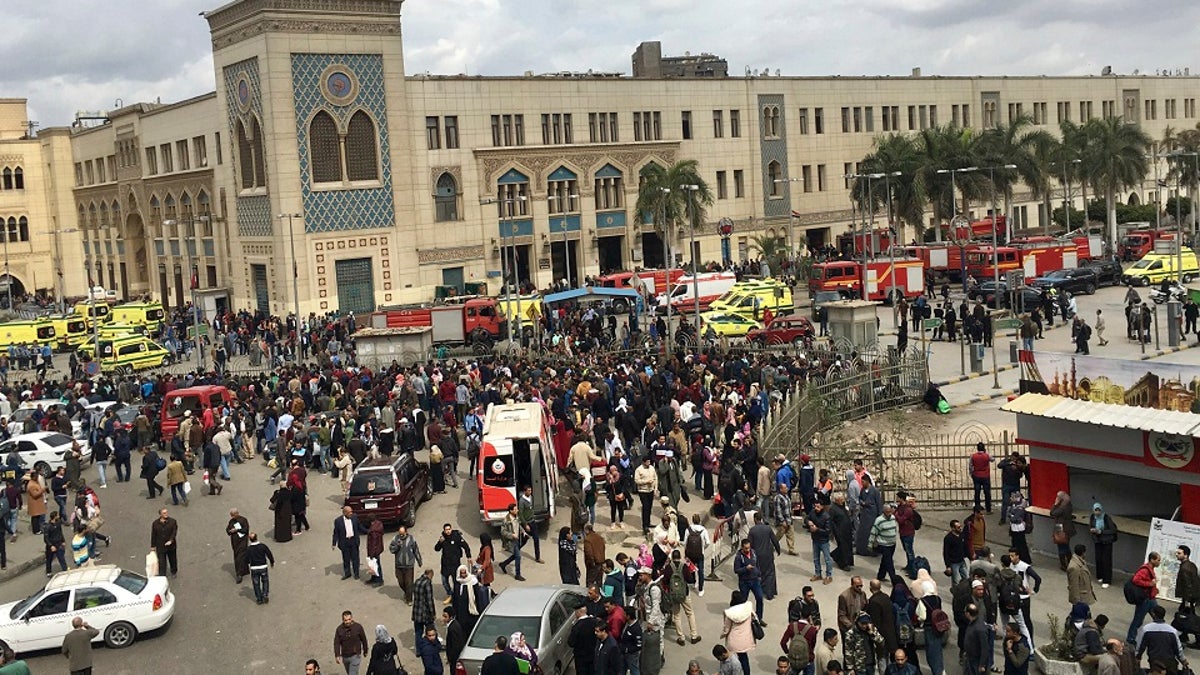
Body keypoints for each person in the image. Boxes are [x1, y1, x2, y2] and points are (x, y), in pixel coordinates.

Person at [1135, 605, 1187, 675]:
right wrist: (1183, 661)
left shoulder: (1146, 629)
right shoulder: (1172, 631)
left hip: (1155, 662)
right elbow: (1178, 649)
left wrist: (1138, 657)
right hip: (1170, 662)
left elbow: (1140, 646)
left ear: (1153, 614)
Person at [1128, 553, 1162, 644]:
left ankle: (1161, 637)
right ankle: (1130, 639)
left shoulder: (1150, 569)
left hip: (1151, 598)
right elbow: (1136, 580)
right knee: (1138, 620)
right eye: (1158, 560)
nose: (1159, 562)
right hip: (1145, 600)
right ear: (1152, 560)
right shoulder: (1145, 570)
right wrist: (1150, 584)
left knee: (1158, 618)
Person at [721, 590, 757, 675]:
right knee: (744, 658)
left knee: (732, 658)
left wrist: (722, 635)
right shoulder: (748, 607)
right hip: (746, 638)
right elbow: (755, 617)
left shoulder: (730, 613)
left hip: (733, 640)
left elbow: (726, 628)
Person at [435, 523, 472, 599]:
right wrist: (439, 542)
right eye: (446, 530)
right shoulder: (443, 539)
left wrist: (469, 556)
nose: (448, 531)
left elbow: (465, 546)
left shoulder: (456, 537)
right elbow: (436, 549)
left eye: (449, 529)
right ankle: (450, 593)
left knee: (456, 581)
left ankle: (456, 595)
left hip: (455, 564)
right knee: (444, 581)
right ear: (444, 531)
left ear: (451, 529)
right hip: (445, 564)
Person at [389, 525, 422, 604]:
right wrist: (397, 546)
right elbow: (391, 549)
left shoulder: (411, 539)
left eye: (402, 534)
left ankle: (409, 599)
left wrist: (419, 560)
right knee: (401, 582)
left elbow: (415, 550)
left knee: (409, 582)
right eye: (400, 534)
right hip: (399, 565)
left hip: (409, 565)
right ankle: (407, 592)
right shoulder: (395, 539)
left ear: (406, 532)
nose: (401, 535)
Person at [734, 538, 766, 621]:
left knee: (759, 598)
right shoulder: (738, 557)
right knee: (743, 601)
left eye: (749, 547)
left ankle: (759, 618)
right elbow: (736, 570)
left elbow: (757, 564)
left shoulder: (753, 553)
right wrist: (745, 568)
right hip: (744, 582)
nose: (748, 550)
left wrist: (759, 574)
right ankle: (742, 618)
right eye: (746, 548)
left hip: (755, 580)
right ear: (742, 547)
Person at [1088, 502, 1118, 588]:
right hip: (1098, 541)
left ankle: (1107, 580)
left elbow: (1113, 530)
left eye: (1098, 510)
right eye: (1095, 510)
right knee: (1098, 559)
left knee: (1106, 560)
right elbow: (1090, 525)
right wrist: (1092, 530)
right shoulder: (1092, 517)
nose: (1097, 512)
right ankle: (1100, 575)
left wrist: (1101, 532)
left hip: (1107, 541)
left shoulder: (1106, 518)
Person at [332, 505, 366, 580]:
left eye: (351, 512)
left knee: (355, 558)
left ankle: (356, 573)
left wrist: (368, 531)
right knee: (346, 559)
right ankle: (347, 573)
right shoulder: (338, 521)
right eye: (349, 512)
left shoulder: (355, 517)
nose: (351, 513)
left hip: (354, 541)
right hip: (345, 542)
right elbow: (336, 533)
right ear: (344, 513)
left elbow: (360, 526)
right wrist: (334, 543)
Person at [805, 499, 834, 584]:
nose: (816, 508)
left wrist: (817, 530)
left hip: (824, 541)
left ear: (822, 506)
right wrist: (808, 522)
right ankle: (818, 574)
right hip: (815, 539)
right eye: (815, 506)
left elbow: (828, 531)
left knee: (827, 559)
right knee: (815, 558)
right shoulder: (812, 512)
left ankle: (829, 576)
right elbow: (806, 518)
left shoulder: (826, 516)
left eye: (818, 506)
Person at [869, 503, 899, 582]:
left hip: (892, 544)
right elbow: (873, 532)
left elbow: (894, 529)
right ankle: (894, 580)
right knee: (889, 563)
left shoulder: (893, 518)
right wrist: (870, 544)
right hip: (883, 544)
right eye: (887, 512)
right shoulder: (879, 520)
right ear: (884, 511)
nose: (889, 513)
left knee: (885, 561)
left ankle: (880, 576)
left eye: (890, 511)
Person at [1177, 545, 1200, 647]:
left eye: (1179, 553)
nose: (1177, 555)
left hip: (1189, 598)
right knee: (1185, 615)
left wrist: (1187, 600)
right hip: (1192, 597)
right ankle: (1184, 634)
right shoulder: (1191, 565)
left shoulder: (1184, 568)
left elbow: (1187, 585)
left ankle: (1198, 639)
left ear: (1185, 555)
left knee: (1191, 618)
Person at [333, 610, 369, 675]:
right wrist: (337, 654)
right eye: (345, 620)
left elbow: (363, 639)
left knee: (352, 673)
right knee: (350, 672)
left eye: (349, 619)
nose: (348, 622)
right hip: (345, 657)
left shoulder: (358, 627)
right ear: (343, 620)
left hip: (355, 656)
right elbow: (337, 643)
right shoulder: (339, 629)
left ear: (352, 618)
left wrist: (365, 650)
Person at [497, 502, 526, 581]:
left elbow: (518, 525)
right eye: (515, 509)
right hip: (511, 541)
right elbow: (503, 532)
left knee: (516, 556)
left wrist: (523, 531)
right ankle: (518, 574)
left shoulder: (516, 517)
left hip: (517, 539)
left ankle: (503, 564)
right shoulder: (506, 520)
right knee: (518, 556)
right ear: (511, 511)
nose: (517, 510)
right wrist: (512, 535)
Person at [1049, 491, 1076, 571]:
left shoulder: (1061, 508)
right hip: (1068, 527)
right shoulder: (1068, 505)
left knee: (1061, 546)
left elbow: (1052, 513)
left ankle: (1064, 565)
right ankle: (1070, 562)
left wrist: (1055, 504)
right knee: (1066, 546)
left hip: (1060, 527)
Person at [246, 532, 275, 604]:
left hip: (254, 568)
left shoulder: (249, 549)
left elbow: (246, 559)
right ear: (257, 537)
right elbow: (269, 554)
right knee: (265, 581)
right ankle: (265, 595)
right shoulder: (262, 546)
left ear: (250, 540)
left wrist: (249, 563)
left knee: (256, 584)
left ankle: (259, 598)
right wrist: (272, 562)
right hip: (263, 566)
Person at [829, 493, 854, 571]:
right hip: (840, 531)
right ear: (837, 500)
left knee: (848, 546)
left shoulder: (842, 507)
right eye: (841, 499)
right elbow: (831, 521)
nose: (843, 501)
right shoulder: (833, 509)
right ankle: (843, 564)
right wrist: (833, 533)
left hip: (847, 530)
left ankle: (837, 556)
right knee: (843, 547)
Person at [150, 507, 179, 577]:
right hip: (160, 545)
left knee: (172, 560)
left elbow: (174, 532)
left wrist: (171, 540)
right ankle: (162, 575)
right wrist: (152, 546)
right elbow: (153, 534)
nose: (166, 514)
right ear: (160, 514)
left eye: (166, 512)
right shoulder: (155, 523)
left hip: (171, 546)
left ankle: (174, 571)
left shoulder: (172, 521)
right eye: (164, 513)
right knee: (162, 562)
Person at [413, 569, 437, 648]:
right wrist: (433, 613)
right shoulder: (427, 583)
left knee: (418, 632)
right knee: (431, 630)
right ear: (430, 574)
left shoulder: (417, 581)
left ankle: (419, 650)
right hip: (425, 613)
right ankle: (433, 646)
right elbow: (429, 599)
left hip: (416, 612)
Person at [227, 508, 250, 583]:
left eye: (233, 515)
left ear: (237, 513)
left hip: (242, 541)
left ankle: (239, 574)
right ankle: (245, 570)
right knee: (237, 556)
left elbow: (245, 530)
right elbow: (227, 529)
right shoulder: (231, 521)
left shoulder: (243, 520)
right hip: (235, 542)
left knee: (240, 557)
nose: (232, 517)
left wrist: (237, 530)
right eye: (231, 515)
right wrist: (230, 531)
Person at [969, 443, 992, 514]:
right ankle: (988, 509)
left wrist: (971, 473)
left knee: (977, 492)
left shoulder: (973, 456)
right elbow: (993, 459)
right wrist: (985, 453)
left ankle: (977, 509)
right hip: (985, 476)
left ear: (977, 448)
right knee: (987, 492)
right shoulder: (987, 456)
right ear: (984, 448)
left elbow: (970, 466)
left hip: (976, 475)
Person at [43, 510, 67, 576]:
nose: (59, 516)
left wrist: (63, 540)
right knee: (49, 559)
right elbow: (46, 538)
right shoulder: (47, 527)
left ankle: (65, 569)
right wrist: (51, 546)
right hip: (52, 545)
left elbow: (60, 532)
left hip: (58, 543)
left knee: (61, 557)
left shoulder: (58, 523)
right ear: (55, 517)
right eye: (57, 515)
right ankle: (48, 572)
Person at [443, 608, 467, 673]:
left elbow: (455, 645)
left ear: (451, 617)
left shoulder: (452, 628)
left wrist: (450, 658)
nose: (443, 618)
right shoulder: (455, 624)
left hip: (454, 658)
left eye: (445, 616)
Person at [366, 516, 385, 586]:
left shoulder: (373, 531)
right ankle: (373, 578)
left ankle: (379, 580)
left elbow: (373, 543)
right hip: (378, 549)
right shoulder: (379, 525)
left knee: (376, 565)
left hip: (374, 551)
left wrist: (371, 554)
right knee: (374, 565)